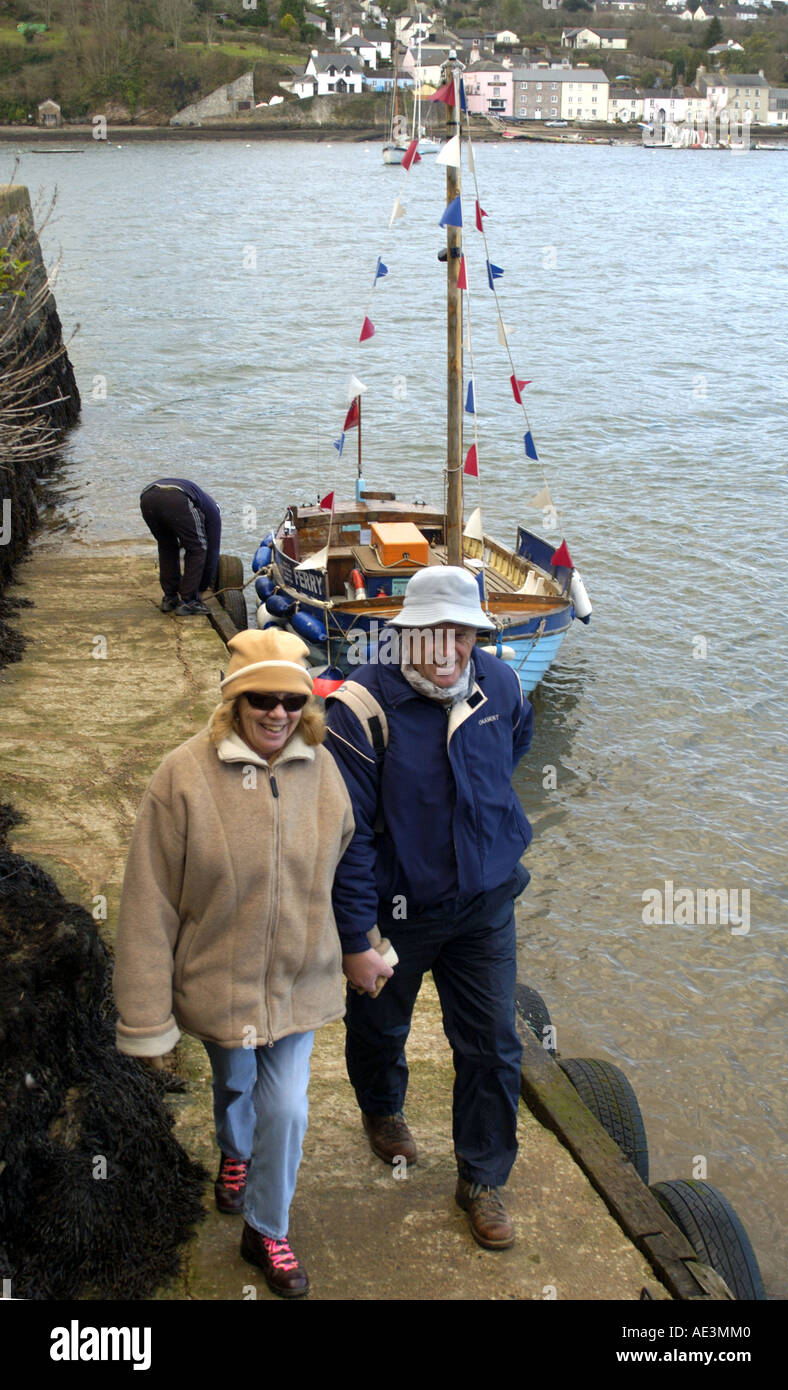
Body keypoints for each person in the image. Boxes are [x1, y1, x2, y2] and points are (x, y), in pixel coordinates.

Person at [113, 628, 355, 1298]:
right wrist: (144, 1018)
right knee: (235, 1087)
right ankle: (234, 1149)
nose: (277, 712)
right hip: (220, 983)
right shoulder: (181, 777)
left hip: (299, 982)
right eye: (261, 699)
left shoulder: (323, 768)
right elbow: (148, 901)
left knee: (289, 1108)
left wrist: (364, 943)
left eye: (289, 700)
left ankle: (266, 1229)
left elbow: (352, 859)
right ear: (234, 703)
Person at [325, 566, 534, 1251]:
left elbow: (513, 752)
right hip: (398, 913)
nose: (447, 651)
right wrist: (357, 938)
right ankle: (382, 1110)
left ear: (477, 634)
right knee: (381, 1025)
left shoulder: (499, 685)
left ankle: (481, 1177)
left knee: (494, 1045)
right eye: (432, 634)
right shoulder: (358, 711)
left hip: (484, 907)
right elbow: (347, 841)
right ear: (404, 634)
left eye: (463, 634)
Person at [139, 477, 221, 616]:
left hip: (148, 497)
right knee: (197, 548)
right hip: (177, 499)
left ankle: (169, 598)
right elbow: (212, 553)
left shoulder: (200, 499)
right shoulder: (213, 513)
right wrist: (201, 587)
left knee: (167, 546)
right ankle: (188, 602)